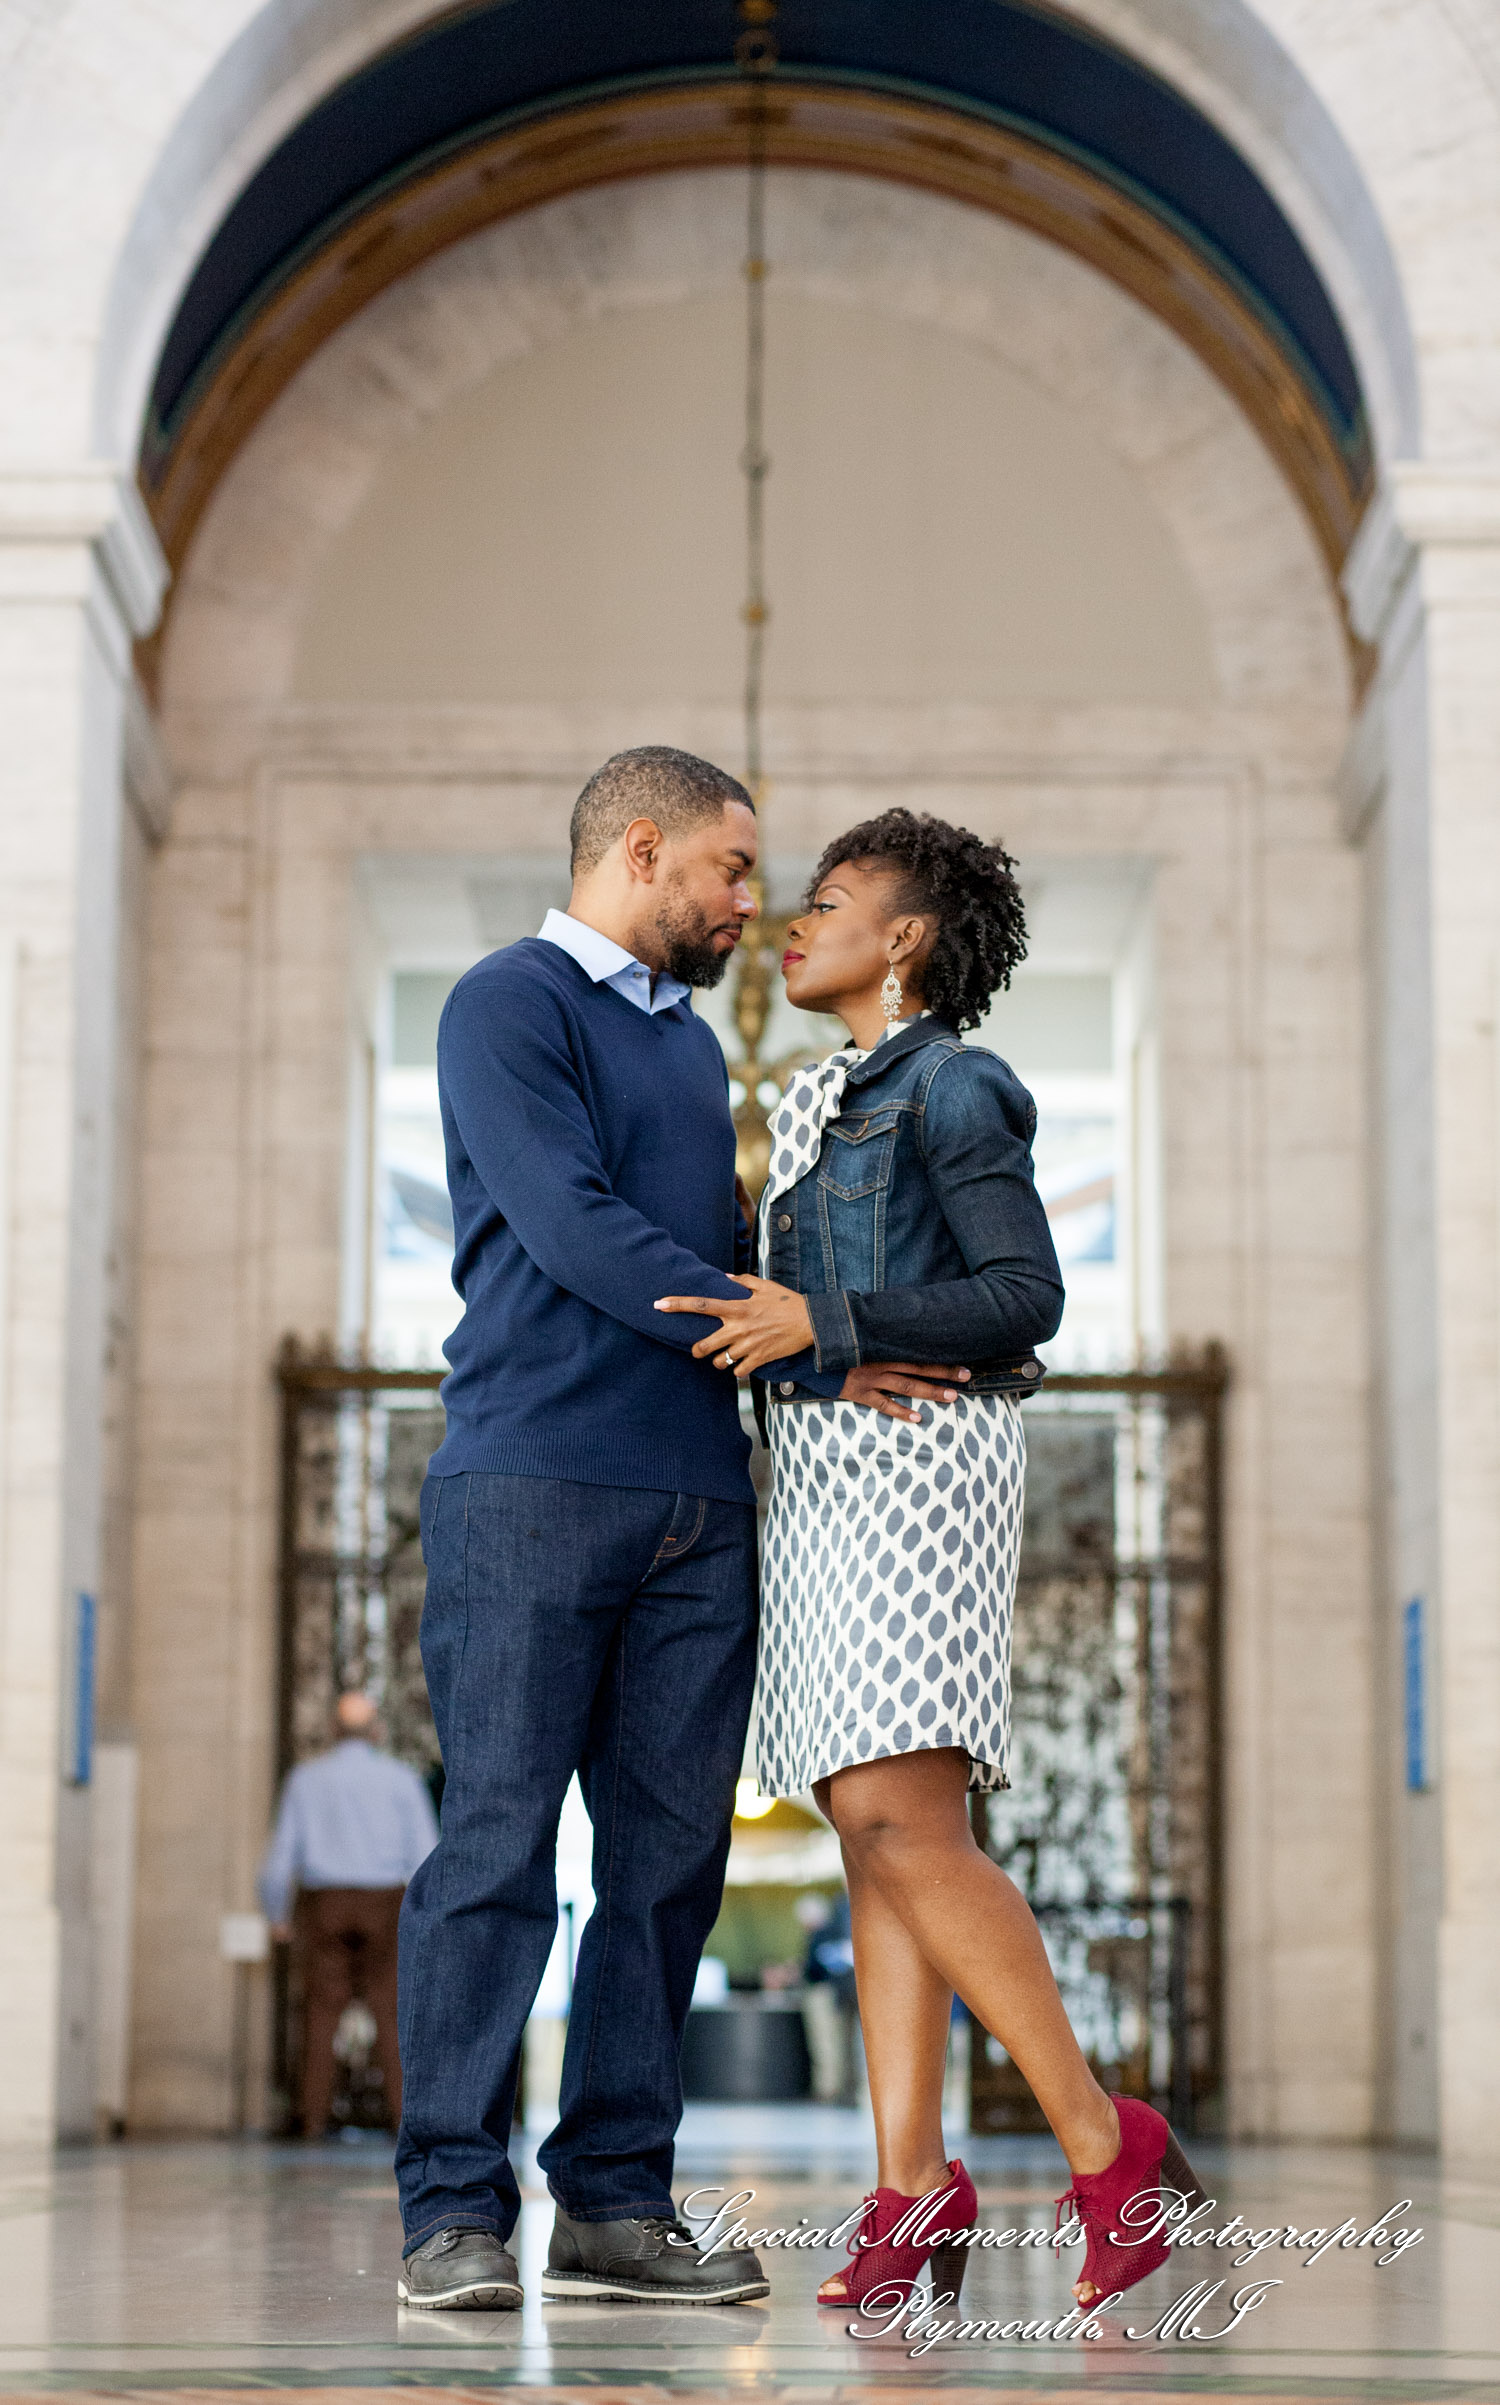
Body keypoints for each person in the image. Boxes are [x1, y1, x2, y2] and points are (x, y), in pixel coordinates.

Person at [655, 808, 1206, 2316]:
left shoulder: (956, 1086)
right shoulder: (831, 1098)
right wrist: (807, 1349)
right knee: (868, 1823)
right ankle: (910, 2187)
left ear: (905, 937)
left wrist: (829, 1332)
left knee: (906, 1818)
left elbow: (1023, 1300)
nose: (793, 921)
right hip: (823, 1474)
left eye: (828, 902)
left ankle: (1108, 2144)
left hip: (919, 1471)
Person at [394, 747, 924, 2312]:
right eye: (732, 872)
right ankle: (449, 2212)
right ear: (642, 852)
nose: (752, 907)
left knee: (670, 1865)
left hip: (700, 1502)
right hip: (532, 1488)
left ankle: (615, 2203)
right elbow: (572, 1230)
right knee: (496, 1847)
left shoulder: (694, 1052)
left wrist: (854, 1314)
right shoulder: (507, 1004)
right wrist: (800, 1328)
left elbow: (721, 1252)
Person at [259, 1690, 438, 2137]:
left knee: (320, 2014)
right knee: (391, 2012)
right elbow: (426, 1855)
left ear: (334, 1731)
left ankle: (313, 2121)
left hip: (326, 1904)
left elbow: (281, 1860)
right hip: (385, 1904)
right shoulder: (401, 1779)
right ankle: (404, 2120)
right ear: (376, 1731)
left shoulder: (307, 1779)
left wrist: (277, 1914)